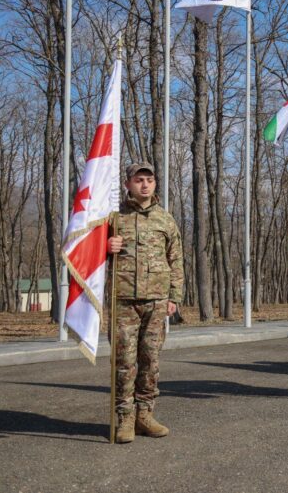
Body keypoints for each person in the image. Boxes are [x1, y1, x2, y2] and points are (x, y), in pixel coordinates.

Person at [107, 162, 183, 444]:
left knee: (150, 361)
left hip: (156, 301)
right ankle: (124, 418)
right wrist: (106, 247)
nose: (144, 185)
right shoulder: (114, 218)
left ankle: (145, 415)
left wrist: (174, 296)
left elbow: (175, 259)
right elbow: (87, 256)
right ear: (128, 184)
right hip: (123, 301)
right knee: (124, 362)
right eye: (138, 180)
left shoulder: (165, 220)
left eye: (149, 180)